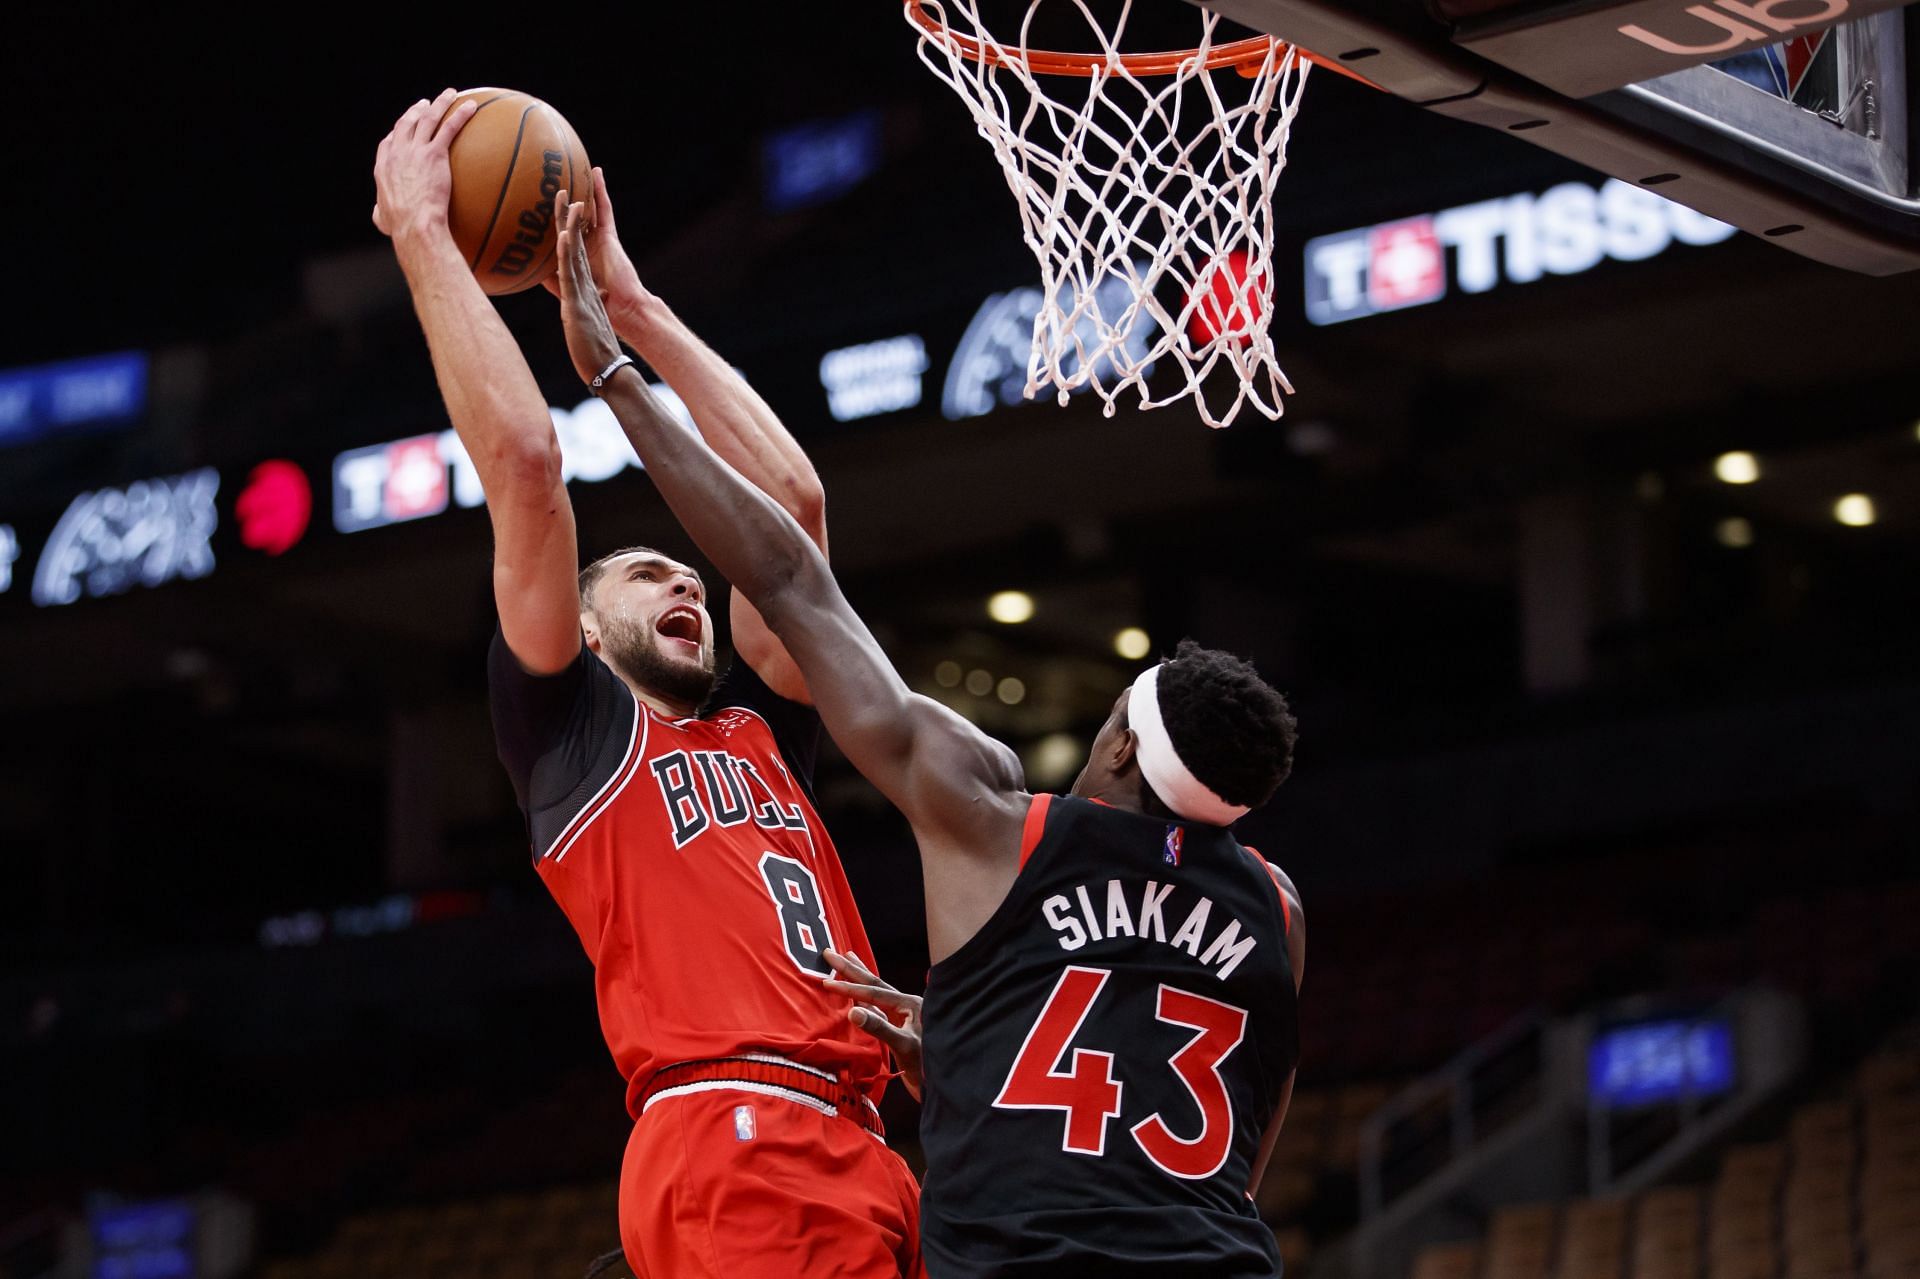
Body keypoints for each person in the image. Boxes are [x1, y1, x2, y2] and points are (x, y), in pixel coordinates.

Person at [549, 195, 1307, 1277]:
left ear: (1127, 749)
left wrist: (616, 370)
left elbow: (786, 570)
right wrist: (969, 1047)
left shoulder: (1000, 821)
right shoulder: (1280, 907)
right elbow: (1239, 1152)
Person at [371, 91, 922, 1279]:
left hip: (867, 1146)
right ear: (576, 619)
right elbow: (524, 464)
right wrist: (423, 231)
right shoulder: (568, 733)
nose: (678, 572)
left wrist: (633, 306)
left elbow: (795, 517)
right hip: (741, 1131)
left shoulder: (761, 728)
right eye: (640, 571)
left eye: (683, 565)